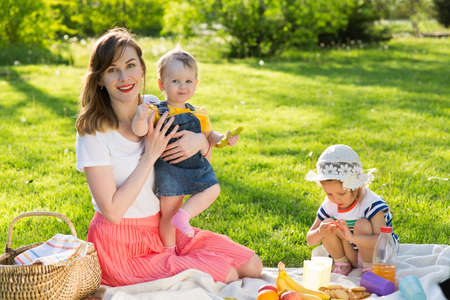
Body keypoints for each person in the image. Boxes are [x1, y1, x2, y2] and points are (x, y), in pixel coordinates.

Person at [75, 28, 262, 286]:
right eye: (112, 70)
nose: (124, 77)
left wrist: (200, 142)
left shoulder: (155, 107)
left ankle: (182, 257)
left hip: (162, 229)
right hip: (122, 246)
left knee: (252, 265)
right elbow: (113, 212)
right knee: (226, 275)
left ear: (142, 68)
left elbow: (196, 165)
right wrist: (149, 155)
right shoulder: (93, 132)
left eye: (131, 65)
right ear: (99, 79)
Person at [131, 48, 239, 251]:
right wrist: (139, 116)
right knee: (168, 214)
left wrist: (224, 139)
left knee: (213, 188)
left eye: (189, 81)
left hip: (195, 168)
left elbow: (210, 137)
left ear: (196, 84)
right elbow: (140, 131)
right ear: (162, 84)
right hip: (169, 169)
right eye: (176, 81)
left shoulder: (199, 113)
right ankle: (170, 250)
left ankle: (184, 216)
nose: (183, 87)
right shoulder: (156, 111)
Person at [305, 144, 398, 275]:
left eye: (341, 194)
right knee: (327, 224)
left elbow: (382, 241)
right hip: (350, 255)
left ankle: (368, 268)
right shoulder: (329, 205)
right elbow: (310, 240)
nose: (336, 199)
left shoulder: (371, 204)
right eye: (329, 194)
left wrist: (352, 238)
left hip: (376, 255)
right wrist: (320, 232)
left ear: (356, 186)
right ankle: (342, 264)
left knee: (362, 224)